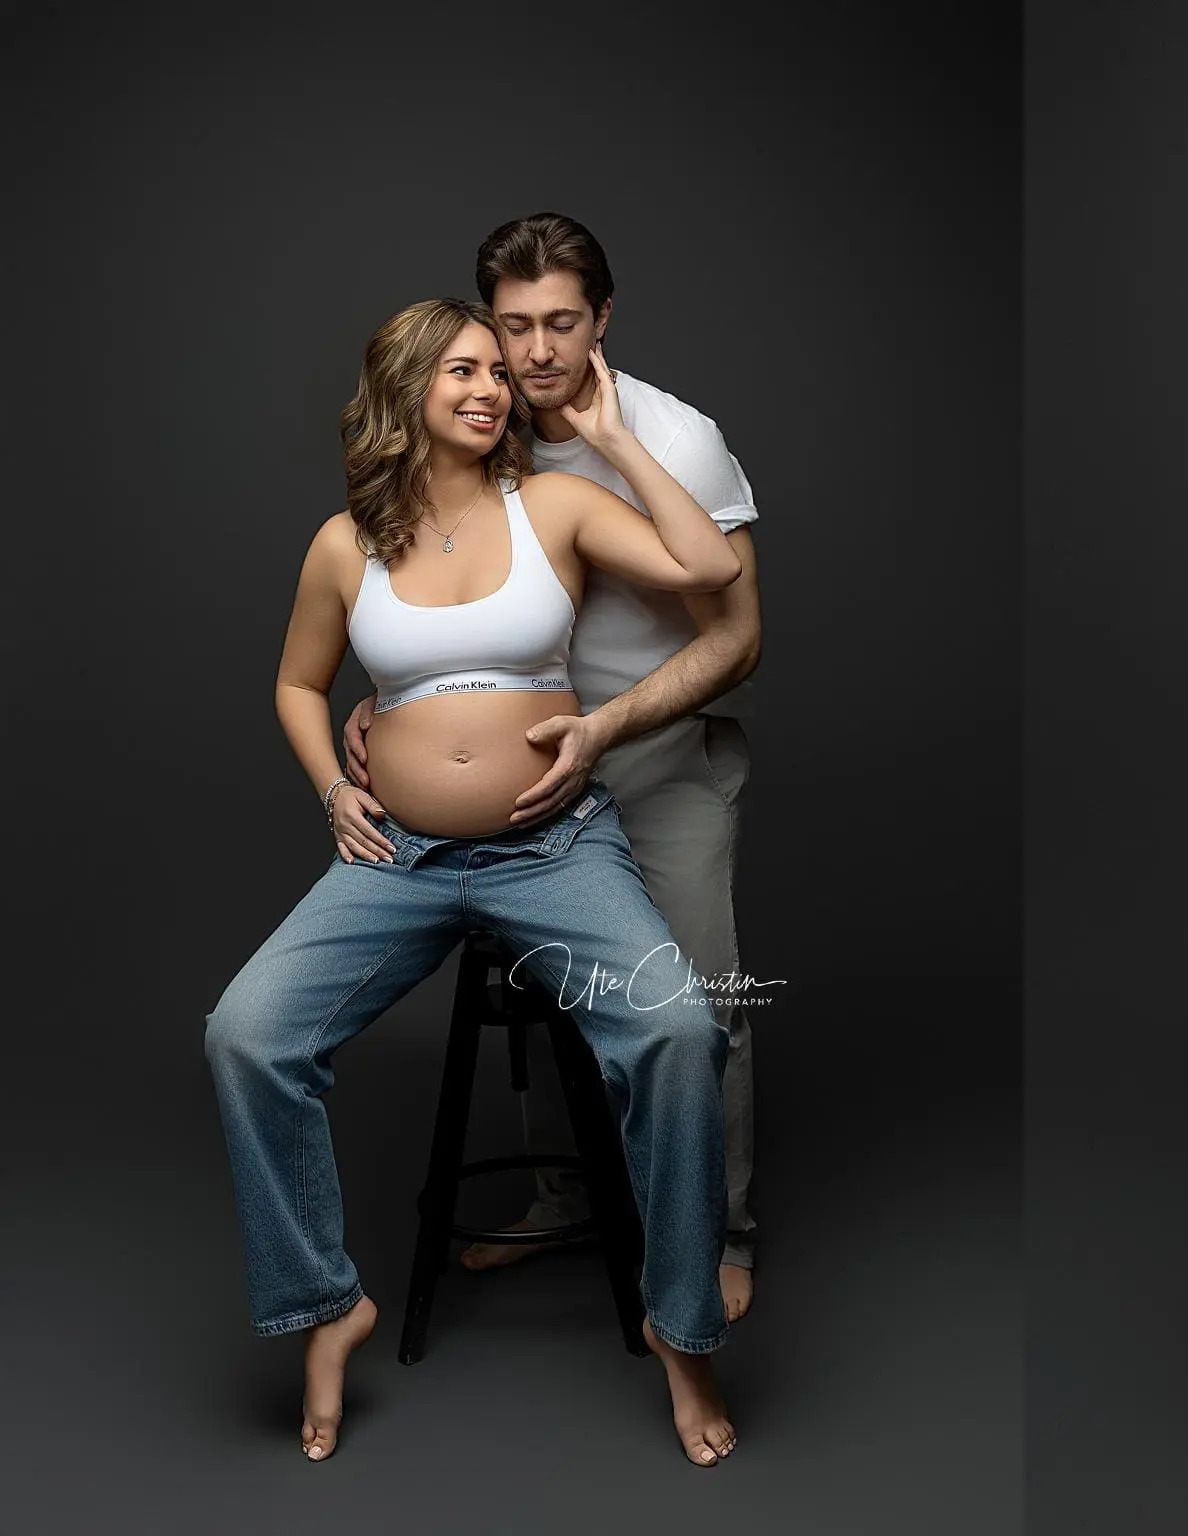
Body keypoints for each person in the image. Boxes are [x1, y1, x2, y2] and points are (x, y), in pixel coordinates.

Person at [203, 297, 747, 1467]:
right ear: (405, 384)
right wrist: (329, 791)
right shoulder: (346, 542)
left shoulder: (551, 501)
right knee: (248, 1032)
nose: (493, 388)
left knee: (681, 1032)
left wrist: (606, 438)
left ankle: (682, 1333)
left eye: (499, 374)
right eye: (463, 369)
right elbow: (300, 684)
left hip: (552, 847)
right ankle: (323, 1303)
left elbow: (705, 562)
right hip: (394, 857)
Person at [343, 214, 765, 1323]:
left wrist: (607, 726)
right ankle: (556, 1193)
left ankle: (719, 1232)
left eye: (561, 324)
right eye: (514, 326)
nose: (535, 355)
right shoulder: (479, 426)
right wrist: (396, 707)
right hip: (531, 792)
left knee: (695, 1006)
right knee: (551, 995)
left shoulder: (677, 441)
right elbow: (433, 593)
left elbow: (737, 637)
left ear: (603, 318)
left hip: (655, 762)